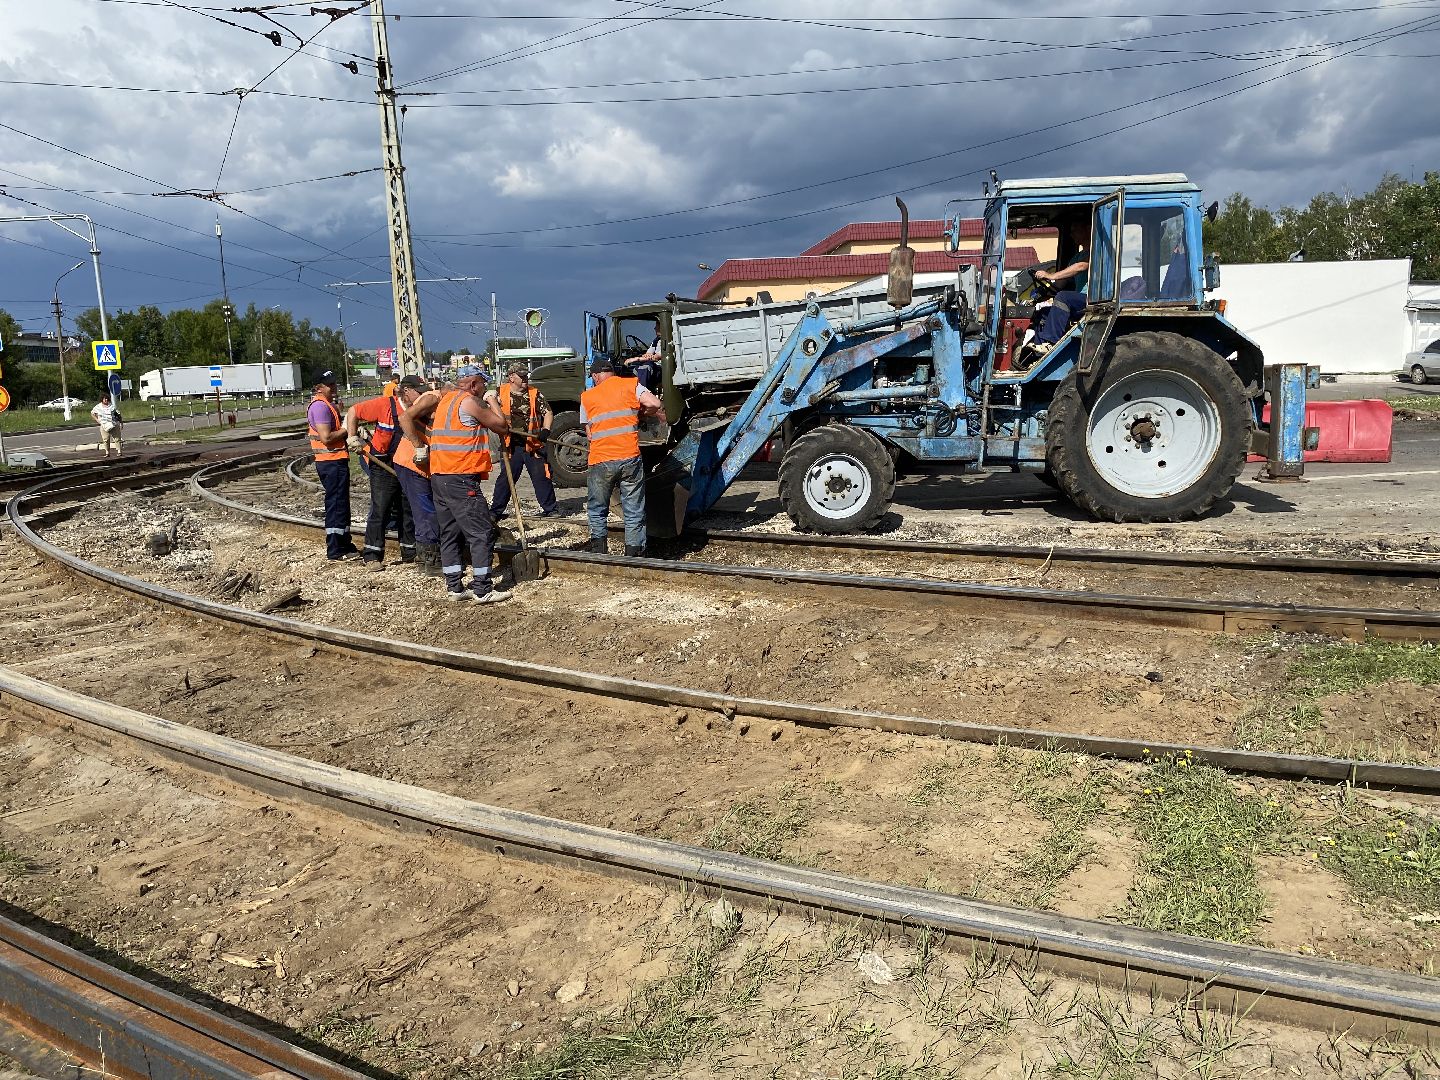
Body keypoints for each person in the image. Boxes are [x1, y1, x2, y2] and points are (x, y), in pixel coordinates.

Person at [399, 364, 511, 603]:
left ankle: (454, 587)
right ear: (473, 383)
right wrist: (493, 401)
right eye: (483, 384)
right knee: (481, 532)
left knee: (449, 533)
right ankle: (482, 589)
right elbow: (502, 426)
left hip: (440, 477)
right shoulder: (471, 402)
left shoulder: (446, 401)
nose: (484, 388)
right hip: (461, 477)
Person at [579, 357, 663, 557]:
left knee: (597, 509)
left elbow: (589, 434)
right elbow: (655, 403)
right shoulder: (630, 384)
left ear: (596, 375)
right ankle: (634, 553)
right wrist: (640, 414)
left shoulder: (587, 397)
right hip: (629, 457)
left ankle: (599, 552)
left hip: (600, 460)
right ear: (612, 372)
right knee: (633, 510)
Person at [343, 380, 416, 570]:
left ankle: (410, 552)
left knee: (407, 509)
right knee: (381, 509)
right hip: (383, 464)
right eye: (419, 391)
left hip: (407, 464)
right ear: (406, 392)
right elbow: (353, 412)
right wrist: (352, 437)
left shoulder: (419, 408)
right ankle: (372, 555)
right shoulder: (384, 405)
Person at [487, 364, 560, 520]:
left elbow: (547, 412)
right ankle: (495, 511)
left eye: (526, 375)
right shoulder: (500, 393)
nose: (526, 378)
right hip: (510, 446)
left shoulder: (534, 393)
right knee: (506, 478)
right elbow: (489, 407)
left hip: (533, 444)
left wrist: (545, 430)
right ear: (511, 377)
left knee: (541, 477)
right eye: (522, 376)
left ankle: (551, 509)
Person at [390, 375, 442, 577]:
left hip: (422, 466)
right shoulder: (431, 398)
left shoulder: (430, 398)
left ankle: (429, 556)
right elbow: (404, 418)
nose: (419, 394)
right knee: (425, 512)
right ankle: (430, 561)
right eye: (417, 391)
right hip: (411, 463)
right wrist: (419, 447)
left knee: (429, 510)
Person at [308, 371, 358, 560]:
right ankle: (336, 549)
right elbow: (327, 438)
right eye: (330, 385)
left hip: (335, 461)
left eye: (334, 383)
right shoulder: (320, 407)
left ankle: (344, 543)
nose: (334, 387)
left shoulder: (327, 405)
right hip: (330, 462)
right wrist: (347, 429)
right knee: (336, 505)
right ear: (319, 387)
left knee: (341, 505)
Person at [1031, 218, 1091, 350]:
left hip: (1093, 299)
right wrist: (1045, 291)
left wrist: (1051, 275)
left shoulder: (1096, 252)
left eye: (1075, 230)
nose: (1072, 234)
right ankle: (1040, 348)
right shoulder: (1076, 257)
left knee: (1064, 297)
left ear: (1087, 229)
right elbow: (1060, 284)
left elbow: (1081, 267)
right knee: (1043, 313)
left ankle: (1051, 342)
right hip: (1079, 301)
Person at [91, 393, 122, 458]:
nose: (106, 400)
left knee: (117, 438)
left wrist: (121, 423)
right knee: (105, 439)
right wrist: (97, 420)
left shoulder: (112, 406)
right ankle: (107, 452)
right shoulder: (98, 407)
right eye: (104, 399)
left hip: (114, 424)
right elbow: (92, 413)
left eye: (107, 399)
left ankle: (119, 451)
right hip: (104, 425)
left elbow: (118, 415)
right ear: (102, 399)